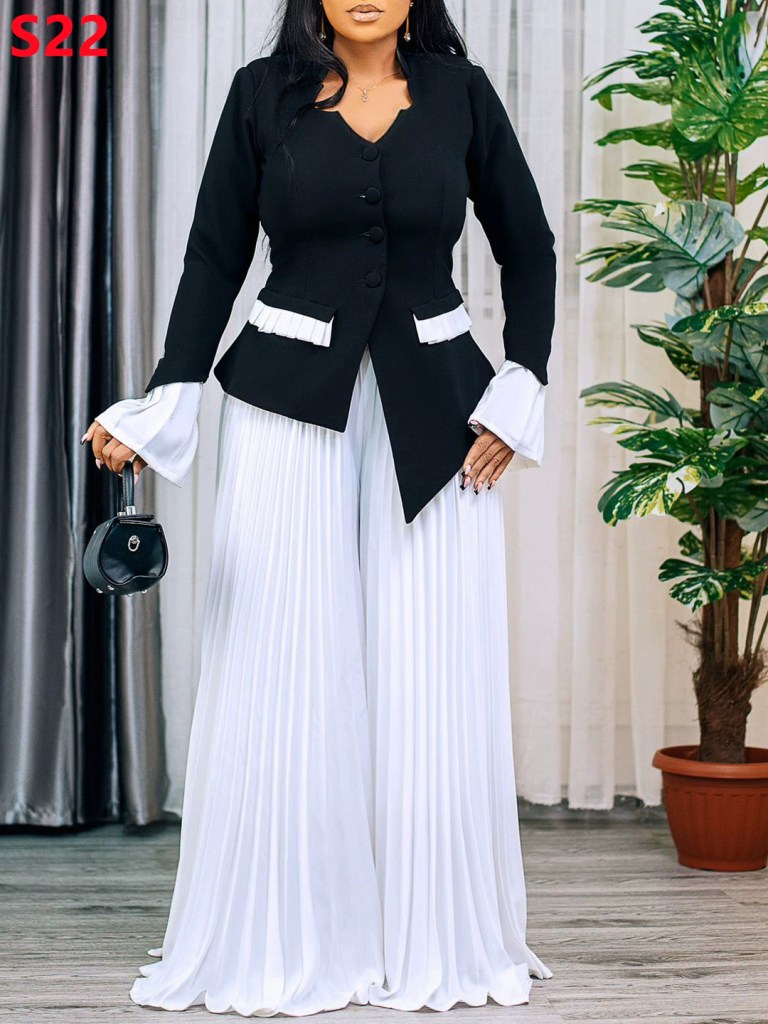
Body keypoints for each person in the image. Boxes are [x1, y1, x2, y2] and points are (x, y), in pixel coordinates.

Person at [82, 0, 556, 1015]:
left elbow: (531, 247)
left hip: (436, 415)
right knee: (285, 654)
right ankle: (290, 929)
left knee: (429, 665)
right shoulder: (261, 95)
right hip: (287, 406)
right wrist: (166, 401)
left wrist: (519, 388)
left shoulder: (463, 95)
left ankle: (423, 932)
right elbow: (213, 258)